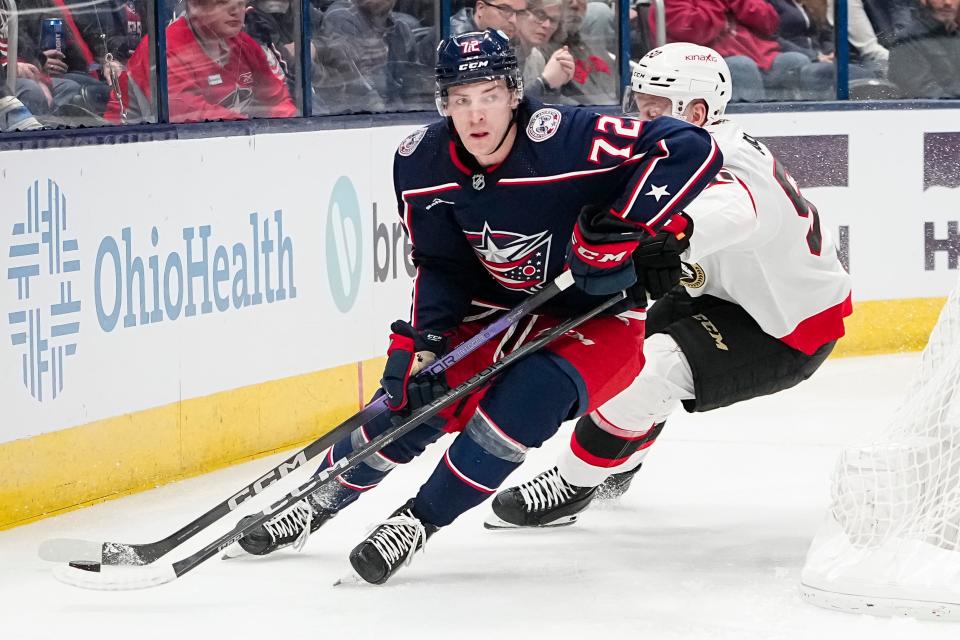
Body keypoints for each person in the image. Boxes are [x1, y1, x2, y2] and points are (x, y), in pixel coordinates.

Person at [231, 29, 722, 585]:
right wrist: (422, 344)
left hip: (599, 317)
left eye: (488, 94)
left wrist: (622, 230)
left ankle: (416, 523)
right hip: (495, 311)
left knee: (527, 399)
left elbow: (690, 146)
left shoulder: (569, 138)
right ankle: (316, 502)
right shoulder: (419, 162)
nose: (476, 115)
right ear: (445, 105)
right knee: (413, 400)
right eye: (460, 100)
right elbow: (441, 265)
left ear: (514, 93)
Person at [487, 42, 852, 530]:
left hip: (785, 327)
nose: (642, 117)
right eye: (639, 102)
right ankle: (621, 457)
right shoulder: (685, 146)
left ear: (697, 111)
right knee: (620, 352)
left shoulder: (728, 165)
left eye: (656, 107)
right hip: (721, 293)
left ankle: (573, 486)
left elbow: (733, 208)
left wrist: (673, 233)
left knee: (649, 375)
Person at [104, 0, 296, 123]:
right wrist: (254, 131)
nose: (236, 11)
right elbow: (185, 115)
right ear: (194, 6)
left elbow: (277, 101)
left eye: (240, 4)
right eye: (222, 3)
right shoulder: (164, 48)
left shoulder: (245, 45)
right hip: (132, 149)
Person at [888, 0, 960, 98]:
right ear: (923, 1)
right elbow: (924, 94)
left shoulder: (956, 37)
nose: (948, 2)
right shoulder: (906, 40)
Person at [515, 0, 575, 98]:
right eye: (540, 15)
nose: (547, 25)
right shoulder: (499, 54)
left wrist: (557, 84)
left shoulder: (537, 58)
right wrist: (545, 83)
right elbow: (509, 109)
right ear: (520, 13)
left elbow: (541, 106)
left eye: (553, 20)